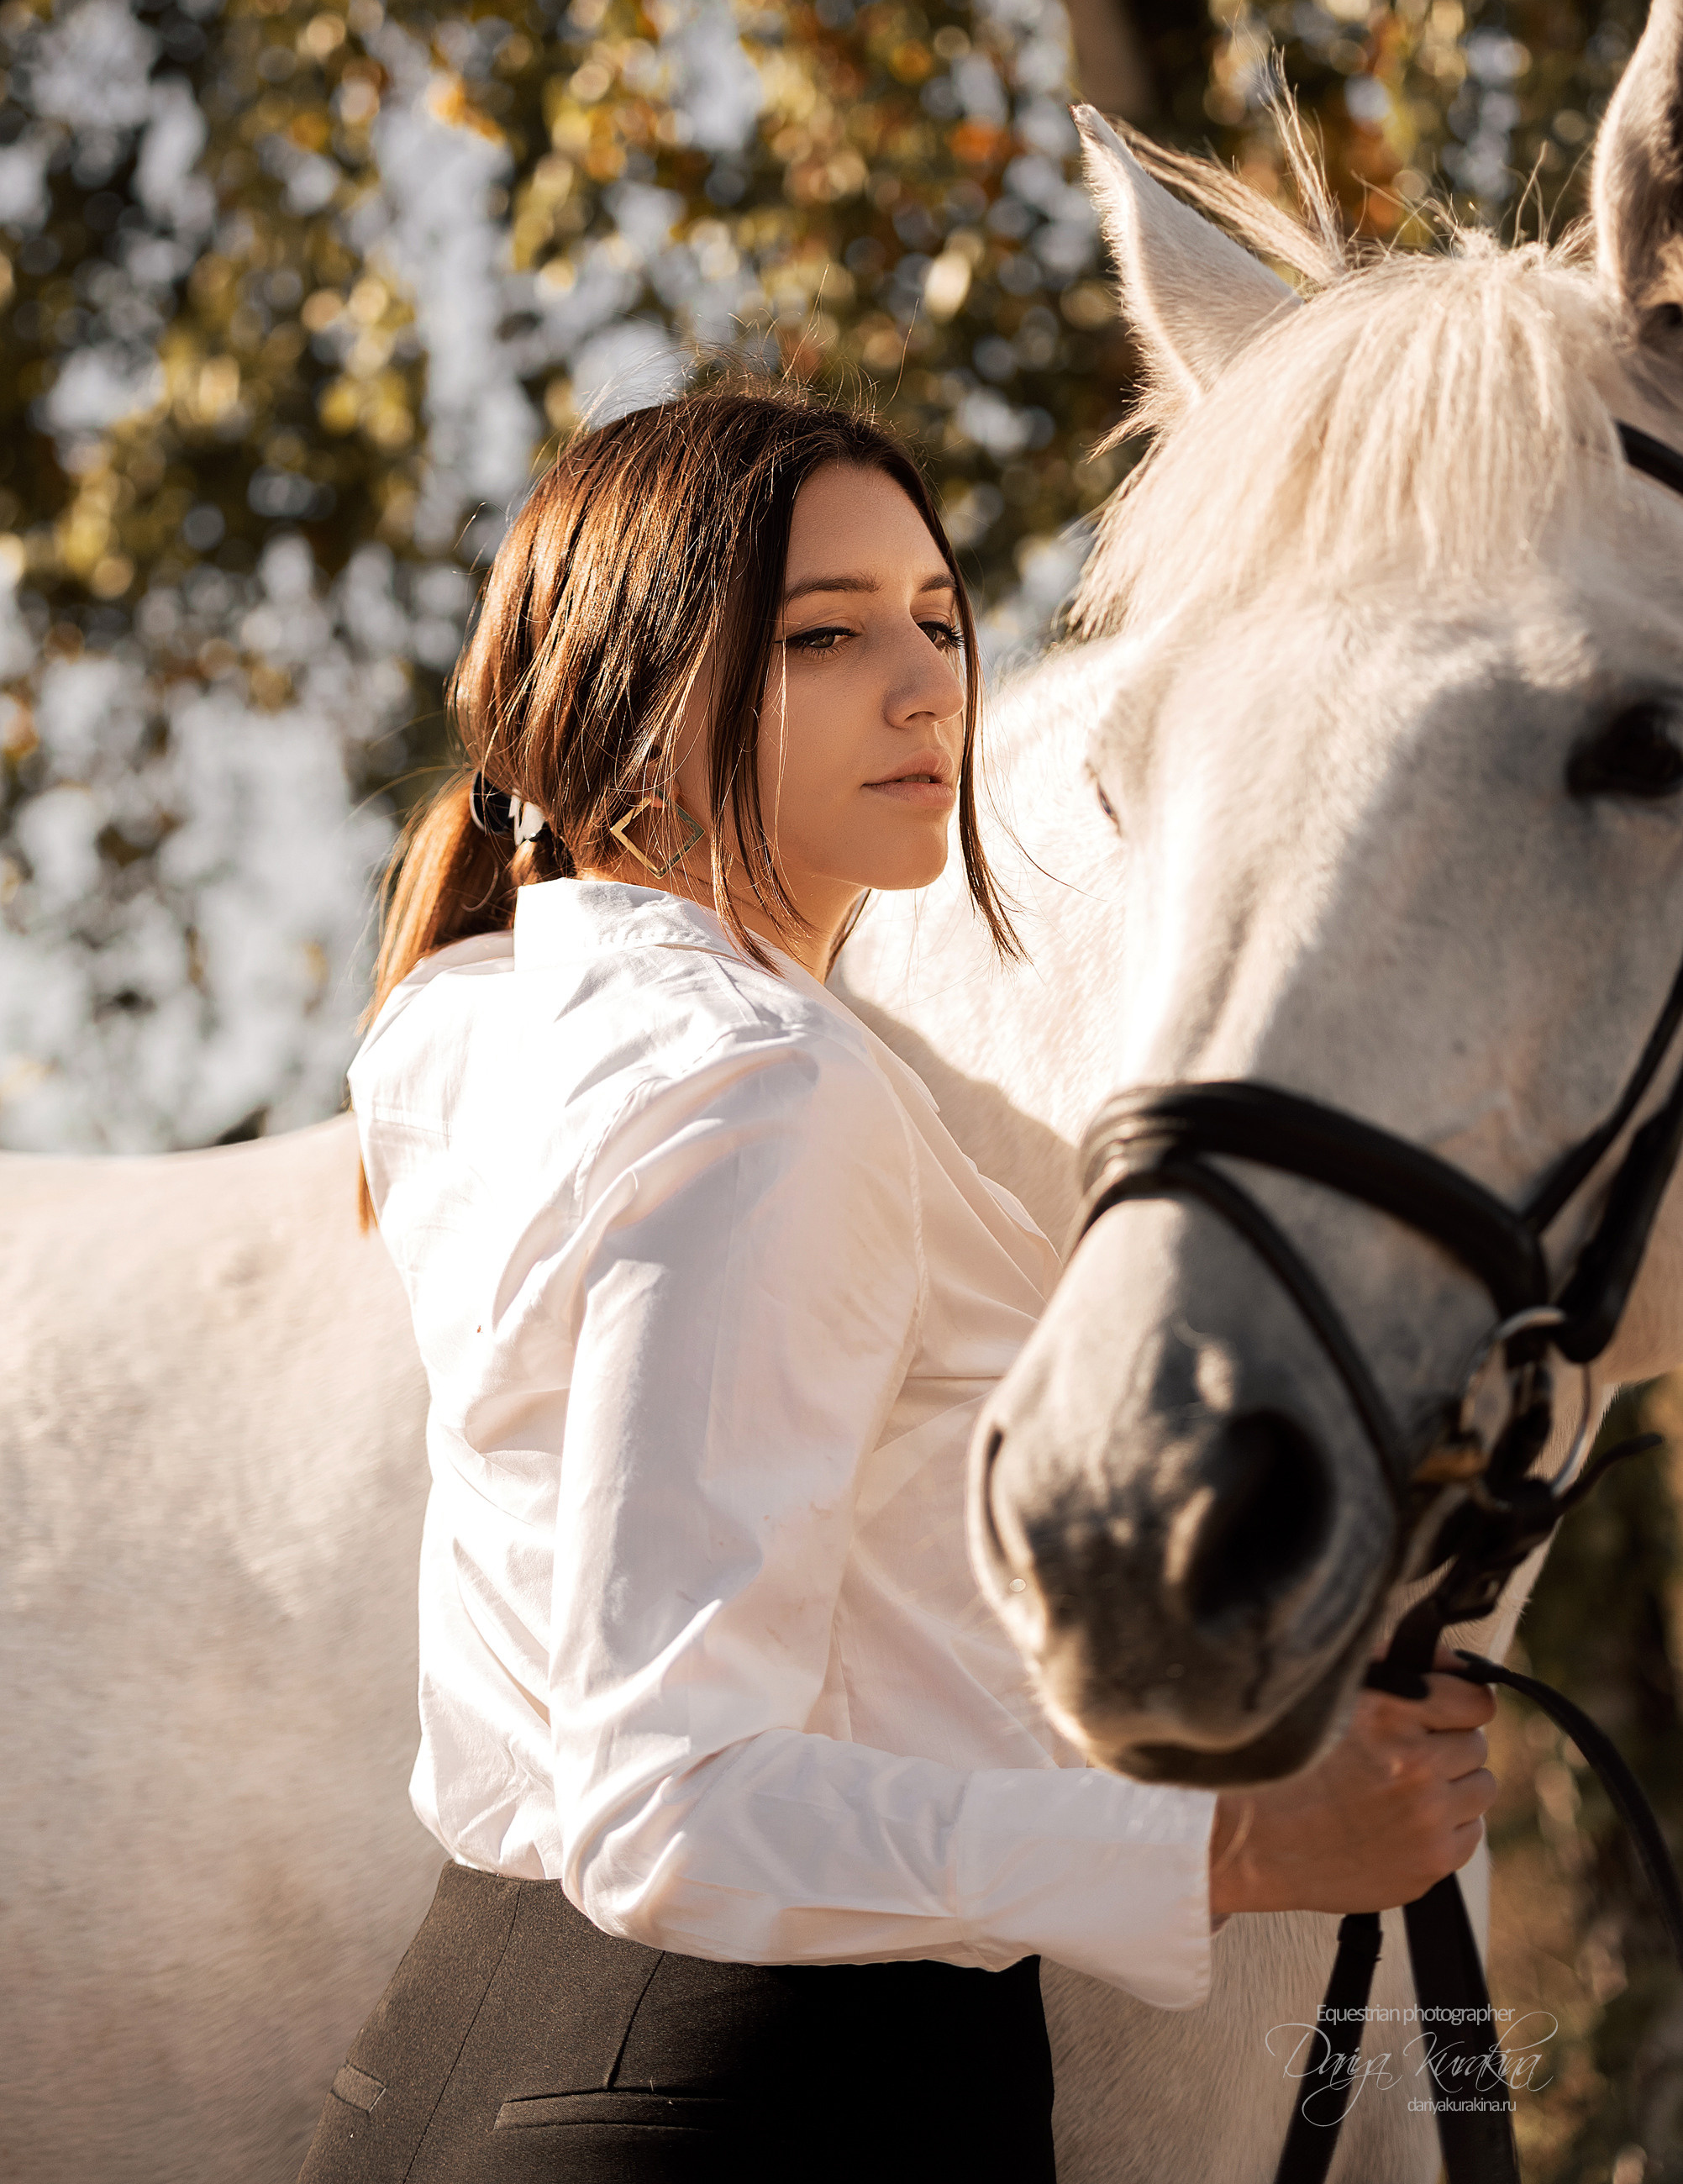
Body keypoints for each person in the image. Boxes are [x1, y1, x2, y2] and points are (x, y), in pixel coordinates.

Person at [299, 378, 1497, 2184]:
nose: (931, 684)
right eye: (826, 636)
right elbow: (670, 1805)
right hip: (768, 2092)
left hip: (456, 2053)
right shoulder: (766, 1091)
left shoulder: (476, 1015)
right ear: (626, 680)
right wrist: (1237, 1852)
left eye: (940, 620)